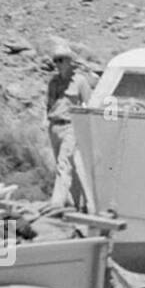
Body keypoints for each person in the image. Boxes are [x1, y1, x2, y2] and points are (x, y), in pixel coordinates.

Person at [45, 41, 93, 211]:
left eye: (61, 60)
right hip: (54, 126)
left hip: (71, 126)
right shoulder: (53, 82)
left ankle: (56, 203)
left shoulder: (80, 81)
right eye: (56, 60)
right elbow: (49, 105)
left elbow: (89, 105)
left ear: (69, 61)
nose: (57, 64)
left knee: (63, 164)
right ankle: (80, 204)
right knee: (67, 166)